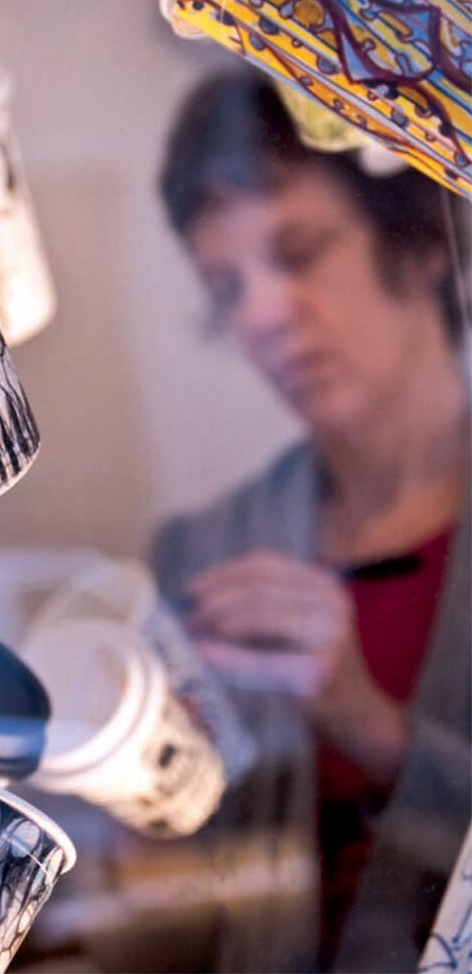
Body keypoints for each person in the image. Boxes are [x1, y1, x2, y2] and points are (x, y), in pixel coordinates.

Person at [151, 71, 471, 973]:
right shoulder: (201, 552)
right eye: (226, 284)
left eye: (298, 253)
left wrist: (376, 727)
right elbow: (176, 904)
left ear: (420, 240)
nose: (260, 315)